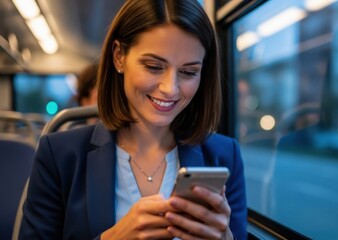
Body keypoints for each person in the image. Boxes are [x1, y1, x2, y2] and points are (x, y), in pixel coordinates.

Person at [19, 0, 247, 239]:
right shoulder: (59, 155)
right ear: (119, 57)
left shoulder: (224, 154)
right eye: (153, 66)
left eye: (188, 72)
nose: (170, 89)